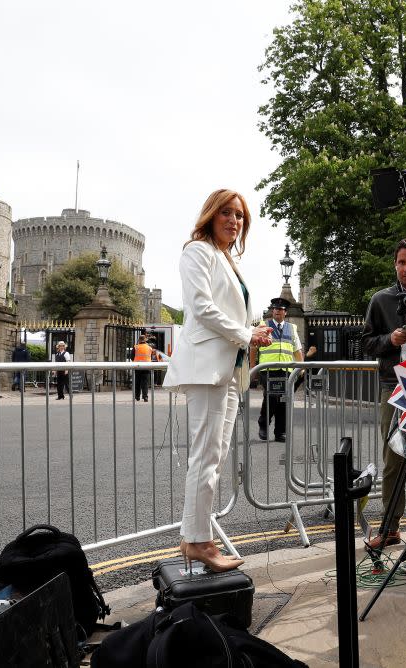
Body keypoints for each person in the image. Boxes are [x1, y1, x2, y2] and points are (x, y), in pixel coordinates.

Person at [162, 188, 272, 573]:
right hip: (206, 369)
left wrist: (251, 331)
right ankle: (197, 542)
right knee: (205, 457)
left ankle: (197, 538)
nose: (234, 221)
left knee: (214, 457)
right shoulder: (197, 251)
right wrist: (246, 334)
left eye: (239, 216)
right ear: (210, 215)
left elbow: (226, 310)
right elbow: (202, 307)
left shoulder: (226, 257)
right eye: (226, 213)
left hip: (227, 371)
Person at [361, 239, 406, 547]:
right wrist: (390, 340)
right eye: (402, 262)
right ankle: (390, 528)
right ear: (395, 265)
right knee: (393, 460)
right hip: (393, 386)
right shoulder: (380, 300)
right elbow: (364, 343)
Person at [249, 297, 303, 442]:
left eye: (280, 309)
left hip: (286, 370)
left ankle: (280, 432)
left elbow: (297, 349)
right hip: (268, 369)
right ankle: (263, 424)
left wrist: (301, 367)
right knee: (271, 396)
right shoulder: (263, 325)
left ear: (285, 312)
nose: (276, 311)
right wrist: (253, 366)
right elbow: (254, 347)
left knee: (284, 400)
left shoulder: (292, 328)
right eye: (274, 309)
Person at [132, 335, 157, 402]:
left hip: (137, 367)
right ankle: (145, 397)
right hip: (146, 367)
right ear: (145, 340)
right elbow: (151, 357)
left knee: (137, 382)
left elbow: (132, 357)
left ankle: (137, 397)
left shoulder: (135, 347)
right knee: (145, 383)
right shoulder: (149, 348)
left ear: (139, 340)